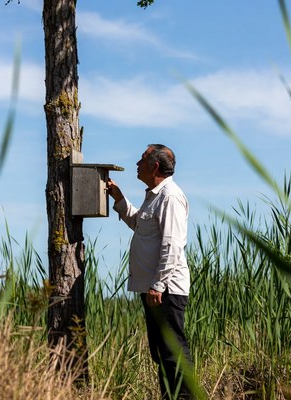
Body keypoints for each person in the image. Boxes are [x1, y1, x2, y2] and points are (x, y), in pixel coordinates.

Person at [107, 144, 193, 399]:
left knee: (172, 352)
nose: (136, 162)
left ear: (154, 166)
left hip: (165, 290)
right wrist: (119, 199)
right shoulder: (155, 196)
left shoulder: (170, 196)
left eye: (142, 158)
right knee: (161, 353)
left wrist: (158, 285)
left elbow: (172, 244)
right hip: (155, 289)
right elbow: (140, 225)